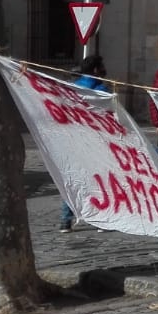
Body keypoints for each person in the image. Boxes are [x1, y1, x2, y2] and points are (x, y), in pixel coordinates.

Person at [59, 55, 108, 232]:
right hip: (95, 140)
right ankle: (101, 219)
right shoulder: (102, 89)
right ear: (96, 69)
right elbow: (108, 114)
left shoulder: (73, 88)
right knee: (100, 180)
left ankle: (66, 220)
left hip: (73, 139)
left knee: (73, 179)